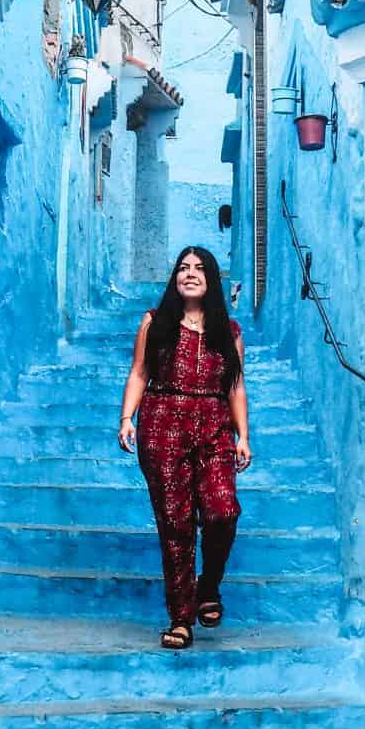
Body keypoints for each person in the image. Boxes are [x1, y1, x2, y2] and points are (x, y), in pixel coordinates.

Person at [118, 246, 251, 650]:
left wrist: (243, 435)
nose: (189, 273)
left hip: (213, 425)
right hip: (162, 424)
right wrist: (127, 418)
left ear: (211, 278)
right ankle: (181, 617)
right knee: (174, 524)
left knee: (222, 511)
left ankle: (207, 585)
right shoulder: (154, 323)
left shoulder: (229, 333)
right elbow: (139, 372)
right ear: (174, 277)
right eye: (182, 267)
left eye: (198, 268)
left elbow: (235, 386)